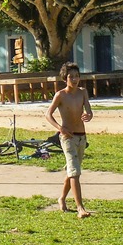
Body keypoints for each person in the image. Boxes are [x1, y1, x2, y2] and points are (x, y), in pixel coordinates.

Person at [46, 61, 94, 219]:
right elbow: (48, 115)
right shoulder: (60, 95)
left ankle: (61, 198)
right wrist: (60, 128)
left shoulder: (83, 92)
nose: (74, 79)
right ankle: (80, 207)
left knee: (72, 172)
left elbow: (89, 110)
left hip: (81, 137)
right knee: (75, 172)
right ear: (64, 78)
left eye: (77, 76)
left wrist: (88, 115)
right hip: (67, 138)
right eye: (71, 76)